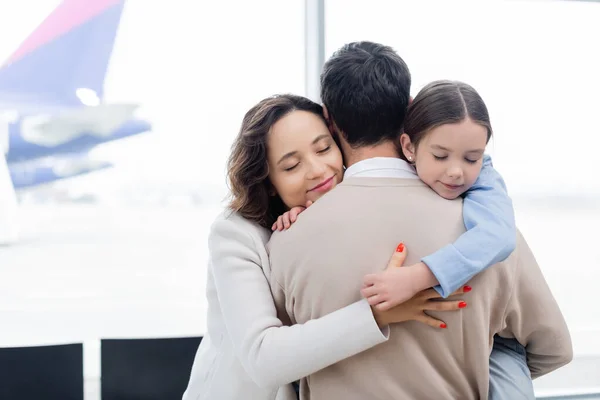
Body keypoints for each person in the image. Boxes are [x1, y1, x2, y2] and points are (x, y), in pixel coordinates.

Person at [268, 42, 572, 399]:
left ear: (330, 120)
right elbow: (554, 348)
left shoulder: (286, 240)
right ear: (410, 108)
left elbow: (277, 363)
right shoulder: (487, 232)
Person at [182, 95, 469, 400]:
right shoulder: (235, 233)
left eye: (323, 148)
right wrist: (376, 314)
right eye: (291, 166)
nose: (318, 170)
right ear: (267, 182)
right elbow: (262, 359)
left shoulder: (342, 210)